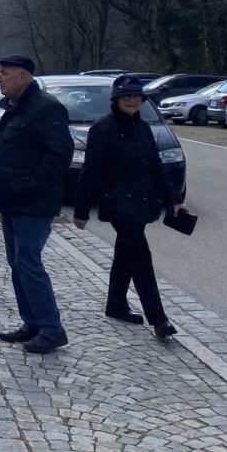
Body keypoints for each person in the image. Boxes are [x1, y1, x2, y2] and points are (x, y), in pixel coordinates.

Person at [74, 75, 185, 340]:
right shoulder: (103, 129)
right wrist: (81, 209)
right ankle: (159, 319)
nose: (132, 101)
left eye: (137, 97)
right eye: (127, 97)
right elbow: (90, 171)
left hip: (142, 201)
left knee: (126, 253)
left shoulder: (144, 128)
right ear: (116, 100)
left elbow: (156, 167)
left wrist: (174, 198)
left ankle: (116, 304)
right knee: (141, 258)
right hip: (118, 203)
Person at [0, 54, 75, 355]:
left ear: (23, 76)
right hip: (12, 201)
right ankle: (32, 322)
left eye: (5, 73)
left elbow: (59, 155)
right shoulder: (17, 107)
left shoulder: (45, 107)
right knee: (17, 264)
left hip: (33, 204)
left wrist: (29, 185)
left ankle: (52, 329)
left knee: (28, 263)